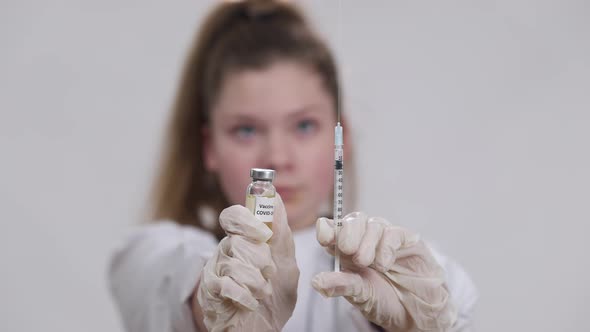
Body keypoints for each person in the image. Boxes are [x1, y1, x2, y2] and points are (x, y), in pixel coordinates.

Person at [108, 1, 477, 331]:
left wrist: (421, 321)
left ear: (341, 138)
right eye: (246, 129)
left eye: (303, 126)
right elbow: (166, 284)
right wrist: (215, 300)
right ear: (210, 147)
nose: (277, 158)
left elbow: (450, 298)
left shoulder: (380, 270)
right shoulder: (155, 256)